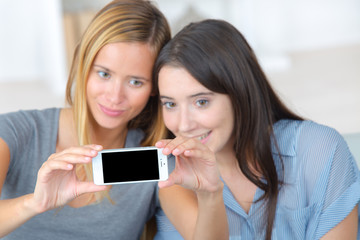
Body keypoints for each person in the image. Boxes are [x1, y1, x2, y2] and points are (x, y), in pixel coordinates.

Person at [152, 19, 360, 239]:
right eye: (170, 104)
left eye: (201, 102)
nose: (184, 125)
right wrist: (209, 195)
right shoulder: (175, 181)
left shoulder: (318, 151)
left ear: (239, 93)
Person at [0, 0, 171, 239]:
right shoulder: (15, 132)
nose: (114, 97)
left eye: (135, 82)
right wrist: (35, 203)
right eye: (104, 73)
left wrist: (210, 191)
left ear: (155, 86)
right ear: (83, 64)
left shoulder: (153, 156)